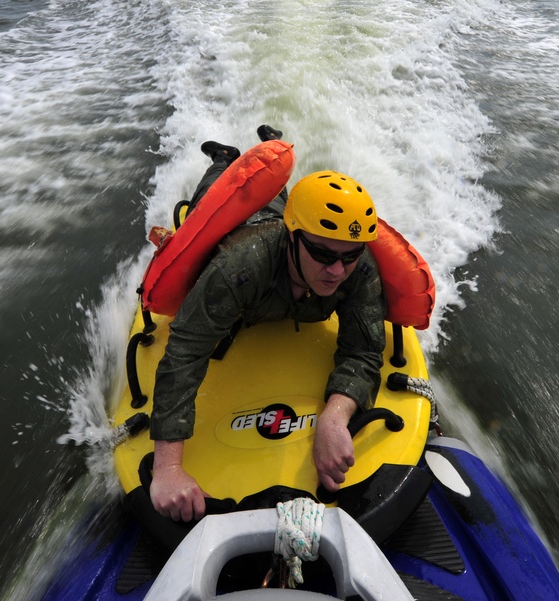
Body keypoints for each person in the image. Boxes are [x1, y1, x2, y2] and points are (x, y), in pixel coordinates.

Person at [149, 126, 386, 523]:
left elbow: (364, 350)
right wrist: (167, 467)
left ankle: (270, 142)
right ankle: (225, 158)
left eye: (349, 256)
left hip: (278, 220)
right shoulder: (238, 270)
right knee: (218, 193)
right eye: (322, 253)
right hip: (246, 233)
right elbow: (185, 353)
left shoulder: (357, 269)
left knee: (275, 196)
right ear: (294, 239)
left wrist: (335, 414)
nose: (336, 270)